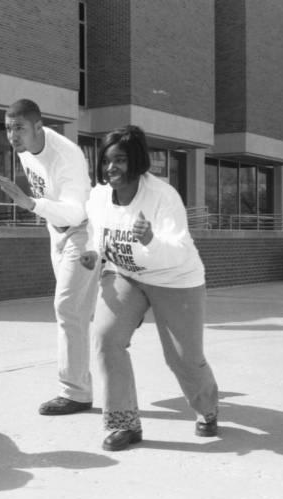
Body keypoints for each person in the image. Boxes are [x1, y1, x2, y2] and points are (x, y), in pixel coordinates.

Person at [83, 124, 219, 451]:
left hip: (175, 279)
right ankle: (124, 423)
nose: (111, 168)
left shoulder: (162, 196)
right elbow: (97, 234)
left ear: (137, 161)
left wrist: (150, 240)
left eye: (120, 160)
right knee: (106, 338)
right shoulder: (99, 196)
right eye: (107, 160)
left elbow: (179, 251)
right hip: (126, 274)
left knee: (183, 359)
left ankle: (207, 408)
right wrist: (94, 253)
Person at [0, 98, 98, 415]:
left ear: (38, 126)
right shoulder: (25, 150)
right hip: (56, 231)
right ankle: (118, 309)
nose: (13, 136)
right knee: (77, 311)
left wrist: (31, 205)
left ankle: (75, 393)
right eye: (8, 129)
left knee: (67, 308)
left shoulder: (66, 156)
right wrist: (41, 212)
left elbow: (76, 211)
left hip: (83, 232)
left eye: (19, 128)